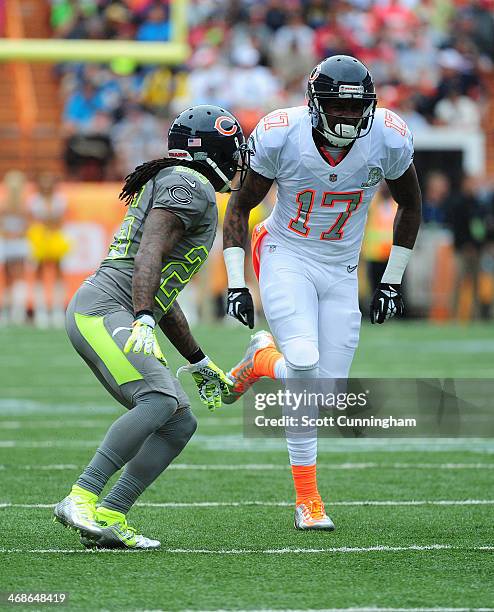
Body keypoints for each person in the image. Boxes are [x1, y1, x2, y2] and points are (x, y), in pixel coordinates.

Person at [222, 56, 422, 530]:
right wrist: (236, 282)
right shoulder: (280, 134)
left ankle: (261, 360)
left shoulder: (388, 137)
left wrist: (392, 279)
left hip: (341, 268)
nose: (349, 119)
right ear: (315, 105)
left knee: (326, 394)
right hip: (285, 254)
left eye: (357, 110)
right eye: (338, 107)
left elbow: (411, 204)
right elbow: (240, 206)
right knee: (306, 363)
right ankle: (308, 500)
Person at [53, 104, 249, 549]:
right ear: (214, 151)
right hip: (105, 309)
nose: (238, 162)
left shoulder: (183, 182)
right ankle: (81, 495)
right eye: (233, 151)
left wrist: (198, 360)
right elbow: (151, 253)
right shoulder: (190, 183)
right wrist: (142, 315)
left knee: (179, 422)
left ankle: (110, 514)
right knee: (158, 398)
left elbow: (163, 288)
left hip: (113, 309)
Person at [27, 173, 70, 328]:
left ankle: (58, 309)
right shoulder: (34, 201)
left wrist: (48, 221)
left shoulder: (59, 200)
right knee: (38, 271)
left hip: (55, 237)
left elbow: (59, 220)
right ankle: (41, 310)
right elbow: (34, 220)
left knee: (58, 271)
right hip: (39, 238)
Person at [0, 171, 29, 326]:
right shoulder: (7, 204)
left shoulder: (21, 204)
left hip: (14, 242)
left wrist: (12, 234)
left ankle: (15, 311)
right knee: (11, 276)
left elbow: (27, 224)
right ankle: (12, 310)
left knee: (14, 276)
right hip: (10, 241)